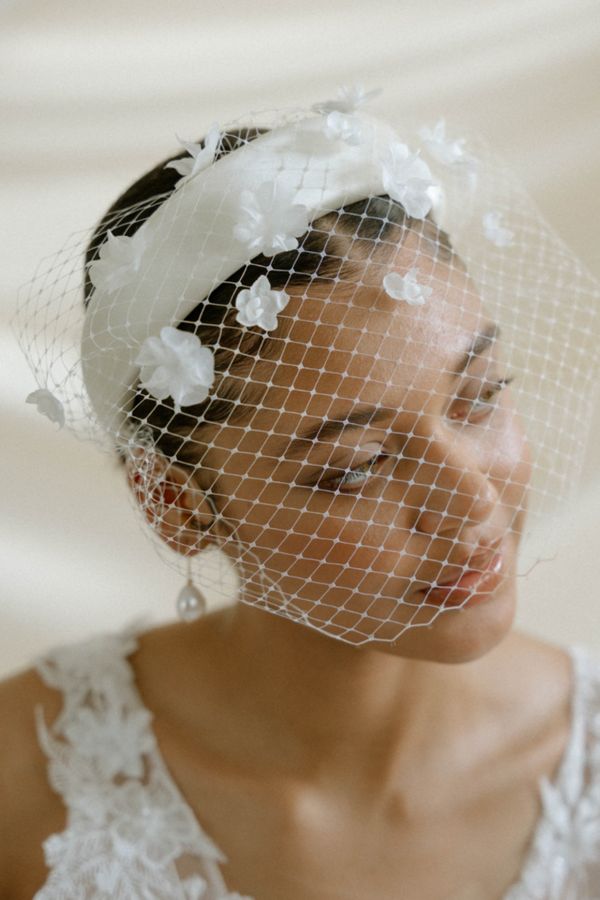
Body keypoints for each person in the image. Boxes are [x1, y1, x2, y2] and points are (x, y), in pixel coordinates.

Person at [2, 90, 600, 899]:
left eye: (480, 394)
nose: (471, 504)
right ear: (177, 502)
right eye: (357, 466)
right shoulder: (28, 777)